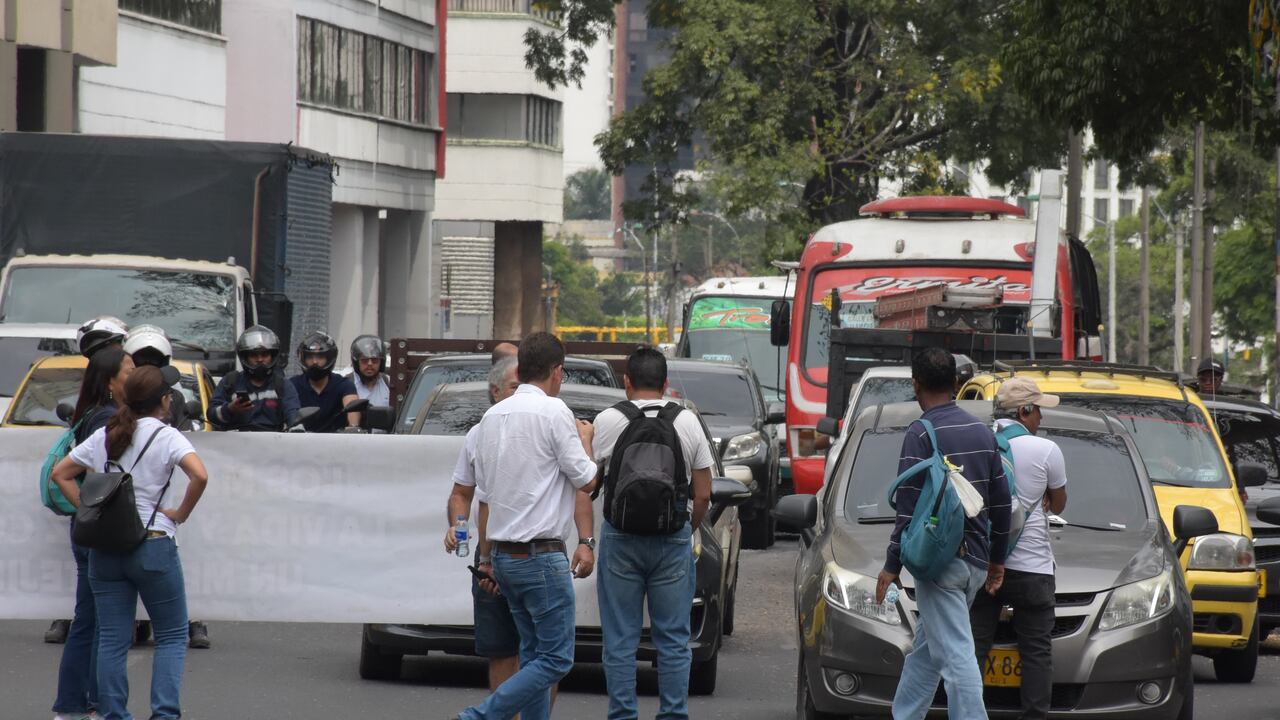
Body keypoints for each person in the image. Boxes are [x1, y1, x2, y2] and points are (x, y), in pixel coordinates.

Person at [451, 332, 598, 720]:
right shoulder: (554, 411)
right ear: (557, 371)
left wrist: (486, 559)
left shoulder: (491, 417)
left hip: (504, 557)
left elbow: (482, 496)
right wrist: (586, 439)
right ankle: (480, 715)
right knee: (555, 659)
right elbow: (587, 480)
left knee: (533, 655)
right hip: (541, 557)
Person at [50, 365, 209, 720]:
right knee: (171, 635)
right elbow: (199, 475)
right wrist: (180, 513)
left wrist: (89, 511)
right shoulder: (168, 436)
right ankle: (164, 714)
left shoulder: (107, 434)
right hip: (153, 543)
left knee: (111, 638)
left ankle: (113, 715)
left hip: (106, 548)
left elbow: (60, 473)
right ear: (164, 400)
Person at [875, 347, 1011, 720]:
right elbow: (1002, 503)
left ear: (916, 385)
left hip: (941, 564)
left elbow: (907, 509)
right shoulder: (982, 431)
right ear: (955, 383)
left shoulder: (921, 432)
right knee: (928, 649)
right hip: (976, 563)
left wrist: (891, 565)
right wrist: (997, 559)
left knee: (955, 656)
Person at [591, 347, 714, 720]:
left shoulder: (608, 420)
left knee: (620, 640)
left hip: (620, 539)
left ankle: (623, 714)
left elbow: (589, 483)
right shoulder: (687, 421)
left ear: (626, 382)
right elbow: (703, 494)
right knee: (673, 640)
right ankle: (673, 714)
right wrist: (686, 529)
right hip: (671, 540)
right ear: (666, 383)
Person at [971, 377, 1068, 720]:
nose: (1041, 417)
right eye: (1038, 409)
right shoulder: (1046, 450)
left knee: (974, 646)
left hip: (982, 563)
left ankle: (969, 712)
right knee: (1036, 650)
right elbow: (1059, 504)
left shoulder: (979, 442)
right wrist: (1042, 494)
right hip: (1033, 569)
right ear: (1024, 410)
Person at [48, 347, 134, 719]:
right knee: (101, 622)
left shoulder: (90, 413)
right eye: (128, 369)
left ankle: (73, 704)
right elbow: (68, 474)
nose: (134, 374)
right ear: (110, 380)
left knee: (90, 618)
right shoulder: (106, 419)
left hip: (88, 530)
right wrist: (91, 512)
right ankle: (90, 703)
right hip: (99, 533)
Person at [208, 326, 301, 432]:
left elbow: (293, 412)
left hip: (273, 440)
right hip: (235, 440)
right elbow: (211, 415)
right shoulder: (230, 382)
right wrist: (229, 409)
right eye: (254, 355)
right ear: (245, 357)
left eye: (265, 354)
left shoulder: (282, 385)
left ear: (272, 356)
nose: (260, 359)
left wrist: (296, 427)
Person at [124, 325, 191, 431]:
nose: (148, 370)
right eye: (141, 361)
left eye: (153, 361)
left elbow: (186, 432)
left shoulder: (175, 397)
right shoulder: (118, 395)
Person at [290, 331, 360, 433]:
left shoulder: (344, 384)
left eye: (320, 357)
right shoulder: (292, 385)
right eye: (310, 357)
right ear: (303, 359)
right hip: (299, 440)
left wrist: (353, 427)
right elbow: (287, 413)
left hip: (337, 441)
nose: (315, 362)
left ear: (329, 358)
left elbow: (352, 407)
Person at [349, 335, 391, 406]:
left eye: (374, 360)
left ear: (381, 362)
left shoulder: (389, 382)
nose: (370, 364)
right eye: (364, 360)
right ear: (357, 363)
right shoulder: (346, 384)